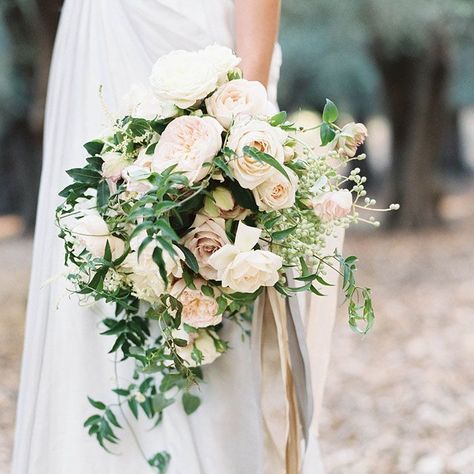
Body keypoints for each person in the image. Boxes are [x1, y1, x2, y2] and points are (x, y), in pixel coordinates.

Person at [12, 1, 342, 472]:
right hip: (99, 45)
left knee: (206, 284)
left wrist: (242, 129)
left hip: (191, 40)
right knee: (91, 250)